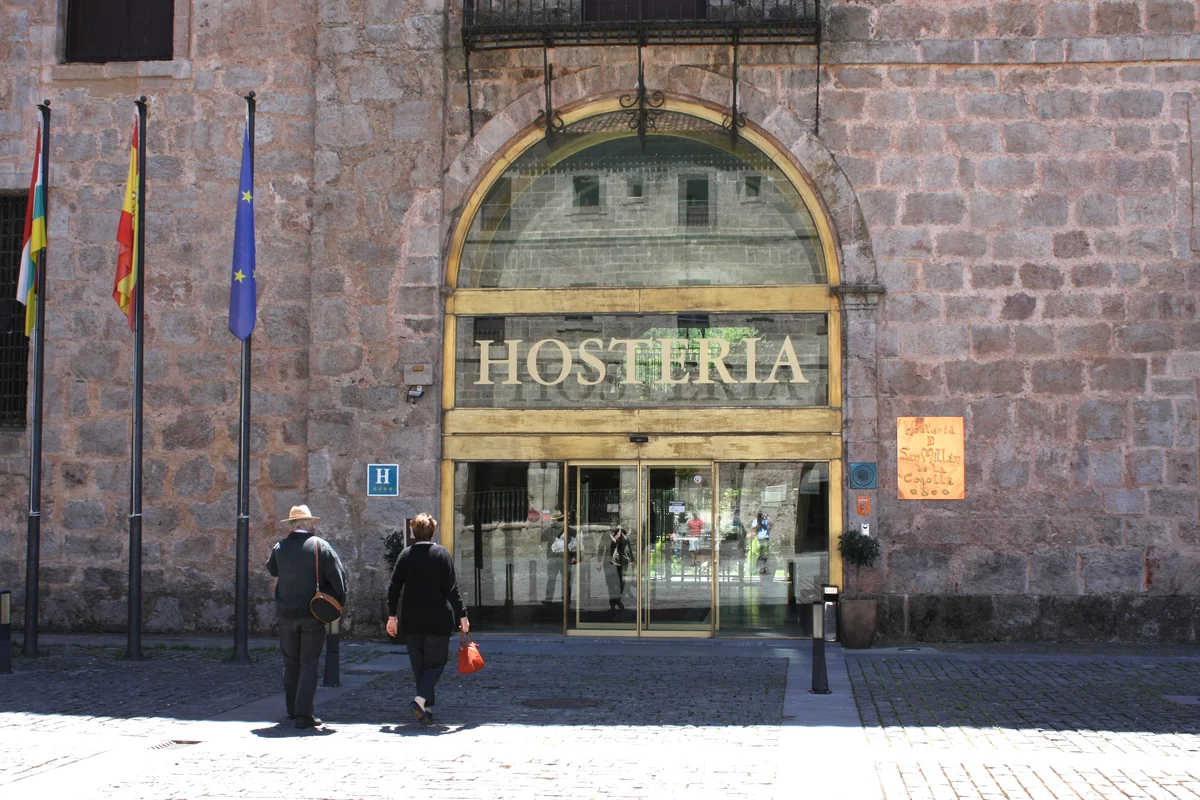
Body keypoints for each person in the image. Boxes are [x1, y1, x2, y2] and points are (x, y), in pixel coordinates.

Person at [266, 504, 347, 730]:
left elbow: (272, 569)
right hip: (313, 613)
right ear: (310, 524)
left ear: (291, 525)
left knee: (290, 663)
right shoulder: (320, 546)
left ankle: (292, 708)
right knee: (309, 663)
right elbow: (339, 579)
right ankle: (304, 714)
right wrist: (336, 604)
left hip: (286, 614)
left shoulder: (280, 547)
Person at [386, 513, 468, 725]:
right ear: (433, 533)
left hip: (411, 620)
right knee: (436, 664)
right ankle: (420, 700)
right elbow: (451, 589)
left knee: (420, 667)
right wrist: (462, 615)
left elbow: (393, 588)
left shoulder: (405, 555)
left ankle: (426, 710)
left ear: (414, 532)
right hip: (437, 619)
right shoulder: (441, 554)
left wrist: (392, 616)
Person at [542, 510, 577, 604]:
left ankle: (549, 598)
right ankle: (565, 599)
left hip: (554, 557)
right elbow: (575, 545)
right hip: (563, 558)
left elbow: (542, 538)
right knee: (565, 580)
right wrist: (575, 556)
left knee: (552, 579)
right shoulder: (570, 530)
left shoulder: (550, 530)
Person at [599, 526, 634, 611]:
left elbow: (627, 547)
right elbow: (601, 547)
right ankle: (612, 603)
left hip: (622, 562)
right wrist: (599, 561)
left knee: (621, 582)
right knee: (611, 583)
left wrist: (632, 560)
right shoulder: (607, 535)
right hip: (610, 562)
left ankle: (618, 600)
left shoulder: (623, 534)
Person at [753, 510, 772, 574]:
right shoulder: (756, 521)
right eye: (761, 515)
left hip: (765, 538)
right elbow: (755, 529)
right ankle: (759, 568)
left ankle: (764, 568)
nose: (762, 517)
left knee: (765, 554)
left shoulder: (766, 521)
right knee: (759, 554)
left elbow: (771, 525)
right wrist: (759, 522)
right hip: (759, 539)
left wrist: (767, 518)